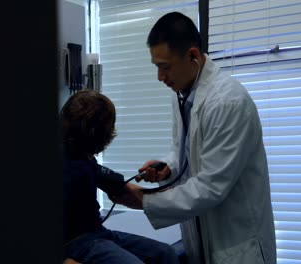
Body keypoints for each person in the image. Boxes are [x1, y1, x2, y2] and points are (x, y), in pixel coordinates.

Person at [110, 12, 277, 264]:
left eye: (165, 67)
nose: (160, 77)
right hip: (200, 236)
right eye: (157, 67)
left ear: (193, 56)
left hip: (237, 245)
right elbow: (187, 150)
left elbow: (210, 187)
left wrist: (145, 200)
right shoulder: (184, 92)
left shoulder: (228, 102)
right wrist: (168, 168)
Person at [61, 90, 179, 264]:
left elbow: (122, 190)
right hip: (74, 243)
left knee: (166, 254)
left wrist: (177, 197)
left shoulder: (84, 158)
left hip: (97, 233)